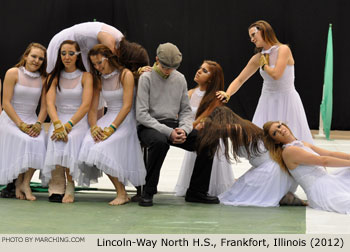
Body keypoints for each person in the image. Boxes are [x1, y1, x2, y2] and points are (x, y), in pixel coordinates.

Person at [136, 42, 219, 206]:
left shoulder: (179, 78)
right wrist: (169, 132)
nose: (168, 71)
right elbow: (141, 115)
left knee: (208, 140)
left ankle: (196, 191)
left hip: (174, 124)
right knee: (160, 143)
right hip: (149, 126)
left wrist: (185, 130)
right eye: (165, 66)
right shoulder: (146, 78)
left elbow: (186, 111)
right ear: (156, 59)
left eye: (172, 67)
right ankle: (148, 191)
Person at [216, 20, 313, 143]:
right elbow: (240, 79)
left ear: (263, 31)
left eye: (253, 35)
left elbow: (277, 75)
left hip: (287, 100)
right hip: (267, 101)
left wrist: (265, 66)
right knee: (263, 140)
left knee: (291, 139)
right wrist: (227, 93)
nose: (251, 39)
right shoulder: (258, 57)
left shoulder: (283, 50)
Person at [77, 44, 146, 205]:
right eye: (94, 64)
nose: (97, 67)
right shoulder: (99, 79)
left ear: (109, 59)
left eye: (100, 62)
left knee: (102, 148)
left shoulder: (125, 75)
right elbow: (93, 109)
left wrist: (111, 128)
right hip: (109, 117)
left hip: (126, 120)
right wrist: (94, 127)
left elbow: (127, 106)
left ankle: (121, 193)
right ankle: (121, 191)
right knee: (88, 142)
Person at [197, 106, 302, 207]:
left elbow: (223, 130)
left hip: (273, 172)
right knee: (238, 189)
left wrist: (202, 124)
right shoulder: (242, 129)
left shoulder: (239, 128)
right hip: (269, 169)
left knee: (236, 193)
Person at [42, 40, 93, 203]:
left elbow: (86, 105)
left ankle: (70, 186)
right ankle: (57, 185)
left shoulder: (86, 77)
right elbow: (50, 103)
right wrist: (57, 125)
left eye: (71, 53)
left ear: (78, 56)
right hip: (58, 119)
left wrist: (68, 126)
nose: (67, 57)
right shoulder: (54, 76)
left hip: (77, 121)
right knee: (55, 139)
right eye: (63, 53)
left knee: (69, 140)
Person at [175, 60, 234, 197]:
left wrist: (185, 128)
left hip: (207, 138)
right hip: (193, 134)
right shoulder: (190, 93)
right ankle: (194, 189)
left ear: (211, 79)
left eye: (205, 71)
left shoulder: (216, 97)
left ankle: (203, 190)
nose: (199, 71)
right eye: (200, 68)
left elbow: (201, 119)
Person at [264, 121, 350, 214]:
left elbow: (330, 154)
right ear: (276, 141)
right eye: (275, 133)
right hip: (321, 190)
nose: (280, 130)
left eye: (279, 126)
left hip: (329, 180)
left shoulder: (301, 143)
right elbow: (323, 161)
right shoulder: (289, 151)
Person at [0, 42, 47, 201]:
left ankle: (24, 183)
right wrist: (20, 124)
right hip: (12, 120)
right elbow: (5, 103)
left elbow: (45, 107)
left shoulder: (43, 78)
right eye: (33, 56)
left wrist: (38, 124)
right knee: (24, 140)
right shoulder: (13, 73)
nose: (36, 60)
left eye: (41, 58)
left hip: (32, 120)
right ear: (26, 56)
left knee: (39, 141)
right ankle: (18, 182)